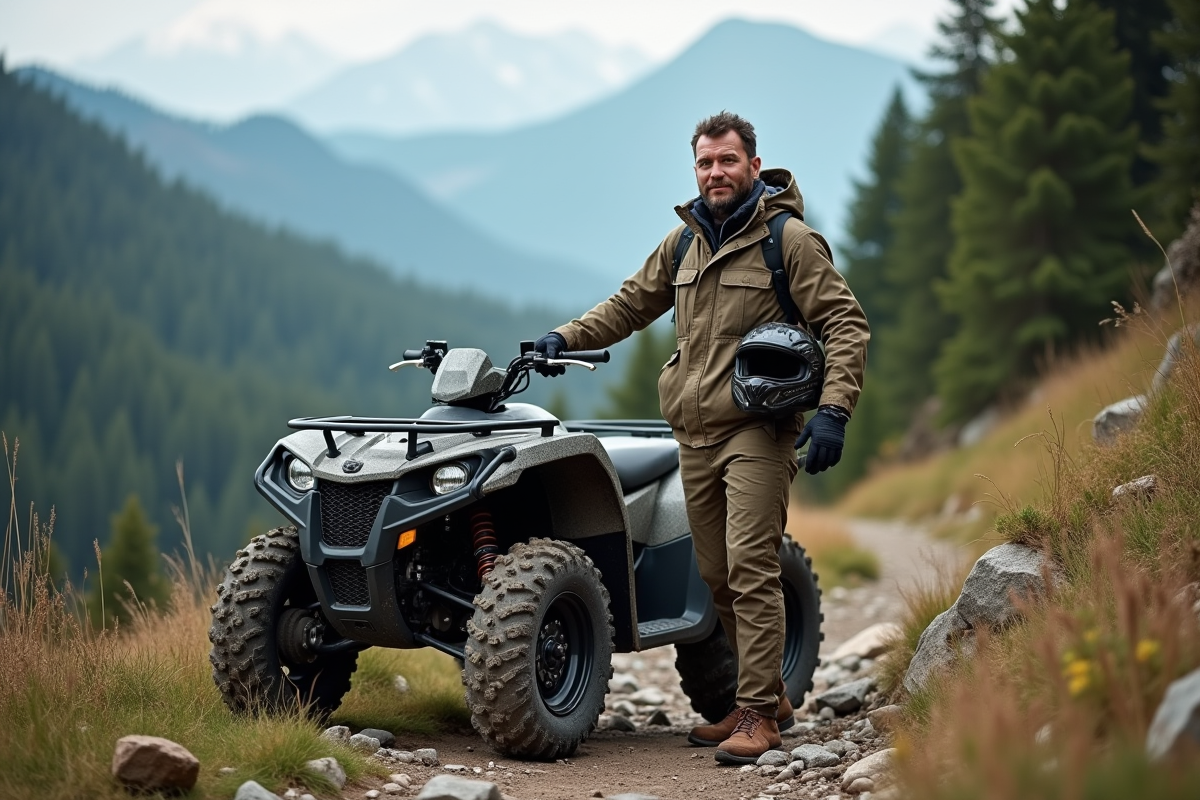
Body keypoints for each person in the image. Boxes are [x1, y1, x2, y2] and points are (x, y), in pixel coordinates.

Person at [534, 112, 869, 764]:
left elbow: (845, 323)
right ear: (696, 169)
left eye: (727, 161)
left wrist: (834, 412)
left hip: (758, 430)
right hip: (695, 434)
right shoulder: (683, 245)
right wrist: (565, 338)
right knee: (714, 573)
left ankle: (756, 718)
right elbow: (630, 304)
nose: (716, 173)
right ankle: (767, 697)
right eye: (705, 163)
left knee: (749, 566)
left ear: (752, 163)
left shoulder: (788, 241)